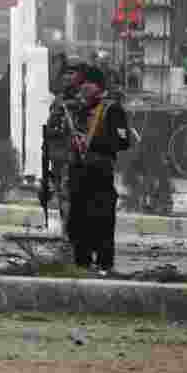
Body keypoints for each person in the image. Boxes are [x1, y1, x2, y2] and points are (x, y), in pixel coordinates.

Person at [67, 66, 130, 273]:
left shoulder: (112, 109)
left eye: (87, 84)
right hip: (79, 174)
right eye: (81, 85)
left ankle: (104, 265)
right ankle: (81, 263)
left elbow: (122, 142)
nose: (82, 88)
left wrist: (93, 144)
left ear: (98, 86)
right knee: (78, 222)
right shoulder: (80, 109)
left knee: (102, 221)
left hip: (100, 174)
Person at [43, 57, 88, 242]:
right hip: (59, 155)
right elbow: (51, 126)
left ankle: (72, 232)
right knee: (63, 194)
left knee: (70, 192)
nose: (68, 77)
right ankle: (68, 230)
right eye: (67, 73)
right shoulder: (60, 100)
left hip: (76, 156)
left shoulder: (86, 99)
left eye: (73, 73)